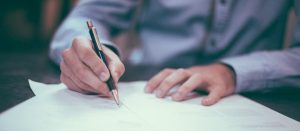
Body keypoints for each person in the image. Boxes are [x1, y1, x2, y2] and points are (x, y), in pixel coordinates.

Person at [49, 0, 300, 106]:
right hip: (149, 88)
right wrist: (93, 52)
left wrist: (233, 72)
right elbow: (85, 18)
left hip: (256, 96)